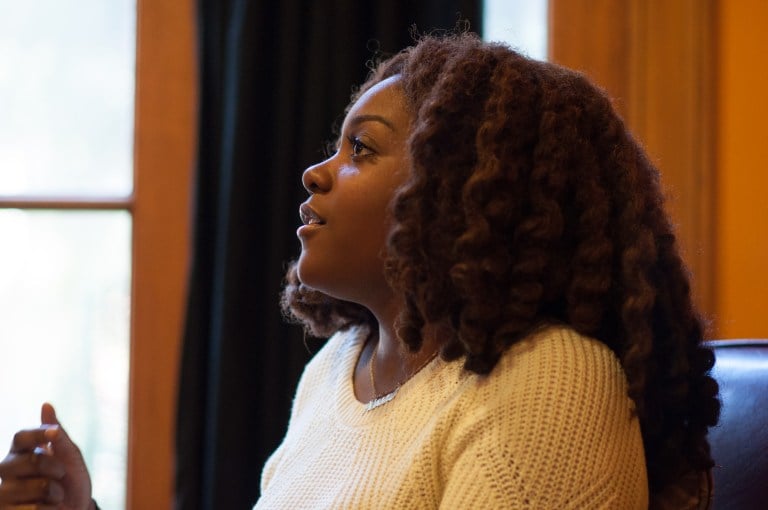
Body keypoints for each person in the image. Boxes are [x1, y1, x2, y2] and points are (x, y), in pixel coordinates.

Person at [0, 32, 719, 509]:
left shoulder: (552, 382)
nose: (316, 173)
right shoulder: (335, 375)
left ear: (469, 189)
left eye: (361, 151)